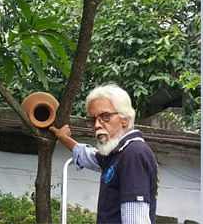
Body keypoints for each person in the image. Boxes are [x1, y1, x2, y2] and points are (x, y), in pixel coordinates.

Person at [50, 84, 159, 224]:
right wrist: (64, 138)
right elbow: (87, 156)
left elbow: (135, 219)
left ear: (124, 119)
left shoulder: (133, 154)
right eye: (92, 119)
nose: (97, 125)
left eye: (105, 116)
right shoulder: (117, 154)